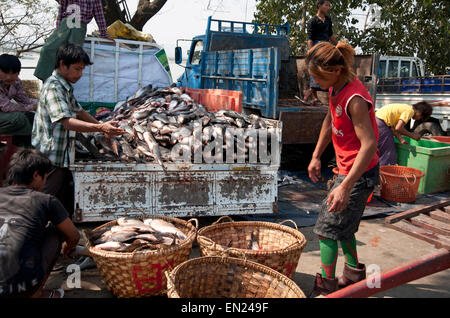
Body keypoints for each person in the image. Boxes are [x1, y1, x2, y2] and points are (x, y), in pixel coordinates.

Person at [306, 41, 379, 297]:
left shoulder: (355, 98)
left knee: (326, 230)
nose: (315, 81)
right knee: (343, 226)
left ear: (335, 70)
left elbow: (370, 145)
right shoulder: (336, 87)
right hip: (346, 170)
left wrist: (346, 187)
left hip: (359, 174)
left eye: (318, 76)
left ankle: (327, 290)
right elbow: (329, 120)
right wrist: (316, 156)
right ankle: (353, 278)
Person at [32, 43, 125, 218]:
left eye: (82, 70)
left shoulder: (65, 86)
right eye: (76, 69)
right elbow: (66, 122)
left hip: (61, 153)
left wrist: (102, 129)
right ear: (61, 65)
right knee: (43, 198)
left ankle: (55, 227)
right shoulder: (54, 87)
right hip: (51, 154)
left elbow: (79, 111)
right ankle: (33, 232)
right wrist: (99, 127)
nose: (80, 74)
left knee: (56, 197)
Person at [0, 148, 80, 298]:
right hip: (21, 287)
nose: (45, 182)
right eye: (45, 177)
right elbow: (74, 236)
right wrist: (68, 248)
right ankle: (36, 292)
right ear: (36, 175)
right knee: (55, 231)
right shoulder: (46, 200)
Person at [34, 0, 115, 82]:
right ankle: (46, 80)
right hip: (66, 22)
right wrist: (59, 27)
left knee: (71, 57)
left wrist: (104, 33)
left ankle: (64, 84)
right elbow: (62, 8)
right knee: (48, 49)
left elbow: (99, 13)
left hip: (80, 24)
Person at [304, 0, 338, 106]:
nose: (328, 7)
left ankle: (308, 92)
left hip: (326, 47)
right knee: (315, 71)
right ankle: (314, 97)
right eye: (326, 5)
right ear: (319, 6)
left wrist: (340, 46)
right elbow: (310, 38)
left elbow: (331, 35)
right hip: (316, 47)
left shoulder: (328, 20)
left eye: (329, 6)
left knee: (327, 70)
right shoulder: (312, 21)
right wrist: (312, 52)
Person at [0, 54, 38, 147]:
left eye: (13, 73)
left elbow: (24, 99)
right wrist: (31, 107)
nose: (9, 77)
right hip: (4, 112)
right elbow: (7, 107)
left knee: (33, 117)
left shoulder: (16, 82)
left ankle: (28, 148)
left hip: (4, 115)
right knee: (18, 118)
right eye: (5, 72)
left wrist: (40, 105)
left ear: (18, 73)